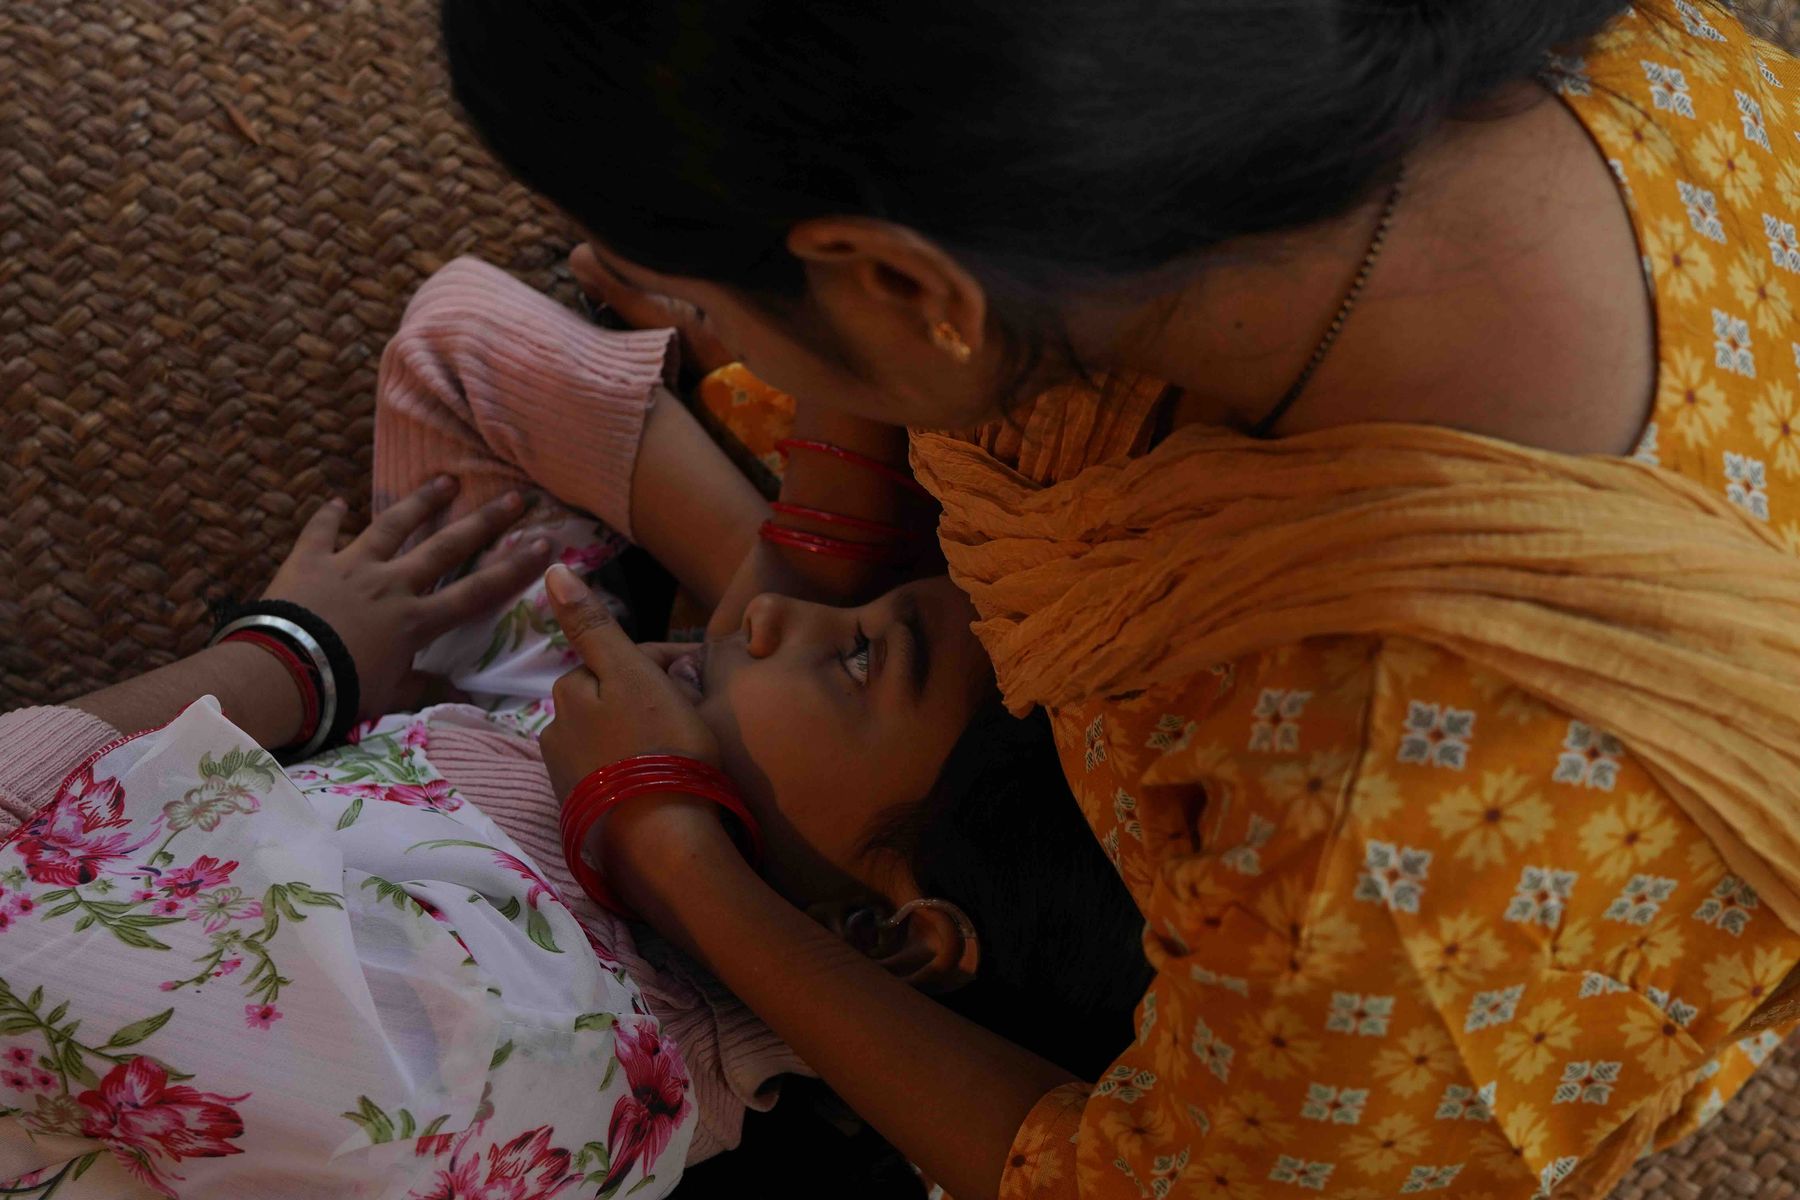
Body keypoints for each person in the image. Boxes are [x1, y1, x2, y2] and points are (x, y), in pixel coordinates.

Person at [438, 1, 1800, 1197]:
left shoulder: (1379, 842)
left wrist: (685, 869)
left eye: (726, 302)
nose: (711, 330)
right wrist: (826, 519)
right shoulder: (1317, 75)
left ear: (910, 285)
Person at [0, 261, 1149, 1199]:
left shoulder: (494, 1042)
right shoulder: (576, 724)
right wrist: (812, 516)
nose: (787, 615)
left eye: (857, 656)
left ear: (892, 937)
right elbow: (461, 354)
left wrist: (294, 660)